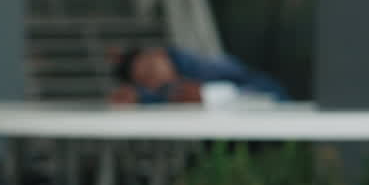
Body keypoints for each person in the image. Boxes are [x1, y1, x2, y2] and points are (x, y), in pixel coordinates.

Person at [109, 45, 287, 105]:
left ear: (159, 54)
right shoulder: (170, 89)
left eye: (151, 67)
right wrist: (138, 97)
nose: (155, 77)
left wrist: (208, 95)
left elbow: (271, 92)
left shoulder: (205, 68)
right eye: (146, 80)